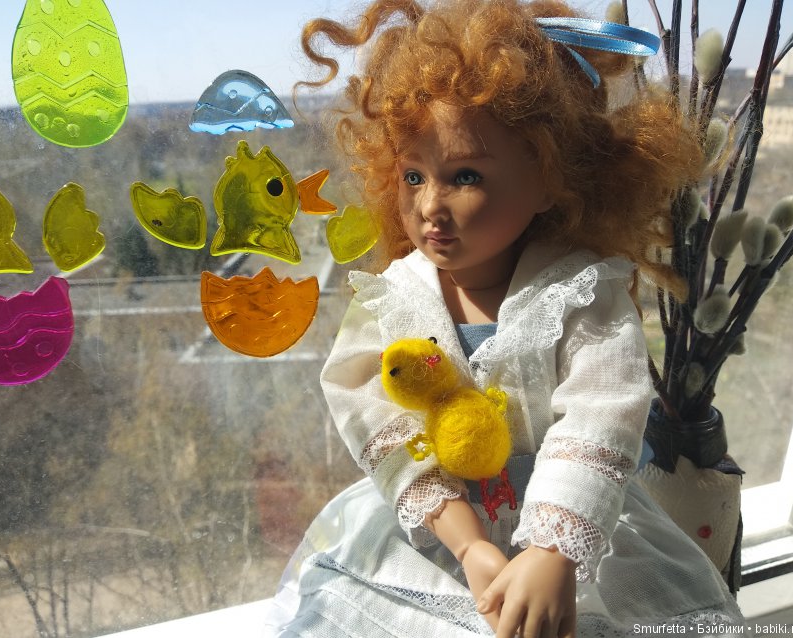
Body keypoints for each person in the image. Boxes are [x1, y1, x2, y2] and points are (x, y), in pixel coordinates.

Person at [264, 0, 745, 636]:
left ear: (549, 179)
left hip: (574, 527)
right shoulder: (393, 297)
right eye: (414, 175)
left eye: (465, 176)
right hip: (437, 526)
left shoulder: (578, 292)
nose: (430, 206)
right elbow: (372, 411)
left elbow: (603, 412)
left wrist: (554, 549)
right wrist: (465, 540)